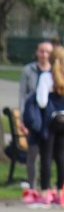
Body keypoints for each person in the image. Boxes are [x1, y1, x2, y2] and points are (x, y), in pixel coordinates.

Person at [18, 40, 54, 188]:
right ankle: (32, 185)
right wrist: (22, 120)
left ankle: (47, 185)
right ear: (37, 52)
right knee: (32, 154)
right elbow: (22, 96)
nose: (44, 55)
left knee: (50, 154)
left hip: (50, 118)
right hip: (34, 116)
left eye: (48, 52)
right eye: (41, 51)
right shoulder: (28, 70)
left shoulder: (56, 72)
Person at [31, 44, 64, 203]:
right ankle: (60, 192)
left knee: (46, 155)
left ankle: (45, 192)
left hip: (50, 121)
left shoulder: (46, 77)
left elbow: (42, 101)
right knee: (61, 156)